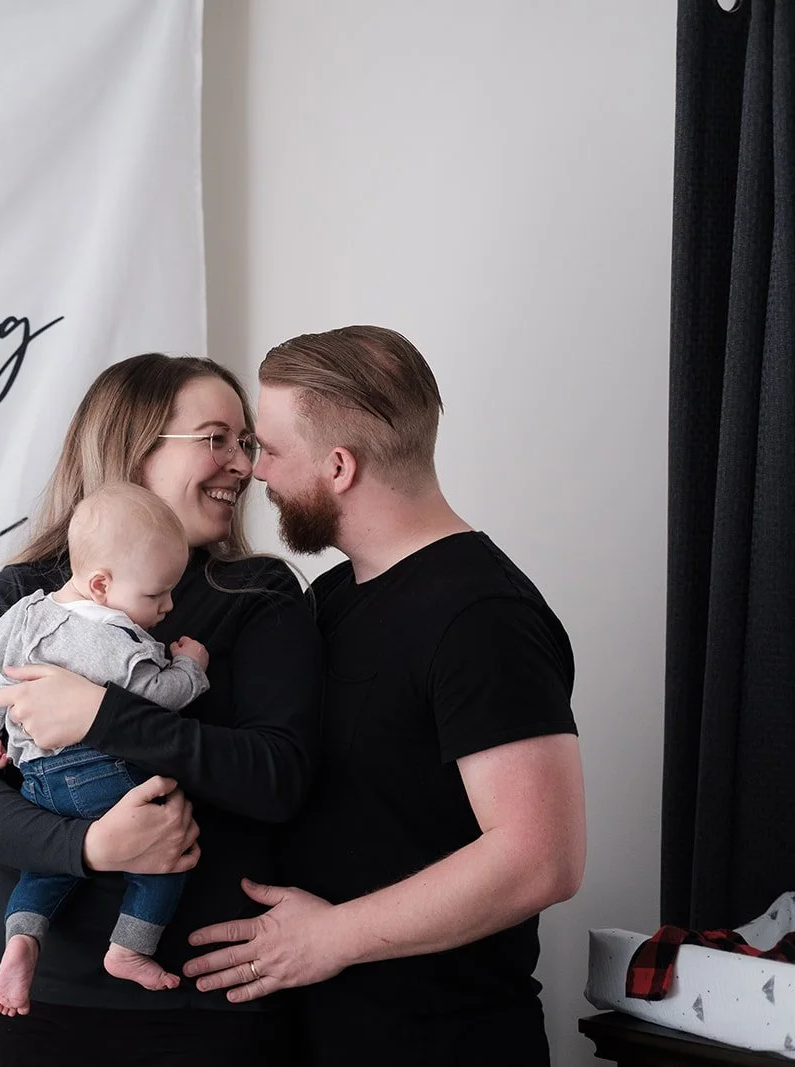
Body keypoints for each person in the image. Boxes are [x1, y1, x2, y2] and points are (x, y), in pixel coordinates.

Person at [182, 326, 586, 1067]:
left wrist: (330, 936)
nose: (254, 471)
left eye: (268, 448)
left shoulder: (481, 616)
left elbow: (540, 857)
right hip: (321, 1031)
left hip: (444, 1042)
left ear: (339, 466)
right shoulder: (333, 595)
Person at [0, 353, 323, 1067]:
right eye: (216, 438)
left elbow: (277, 776)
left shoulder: (259, 595)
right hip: (43, 1005)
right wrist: (89, 849)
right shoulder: (19, 600)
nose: (244, 465)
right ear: (133, 448)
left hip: (213, 1007)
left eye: (246, 442)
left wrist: (102, 714)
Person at [0, 482, 213, 1015]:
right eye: (156, 595)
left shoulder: (24, 614)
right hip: (96, 770)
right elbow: (163, 696)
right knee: (166, 851)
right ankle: (129, 947)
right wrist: (193, 667)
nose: (169, 606)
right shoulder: (108, 640)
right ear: (101, 585)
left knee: (44, 870)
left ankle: (23, 940)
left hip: (39, 781)